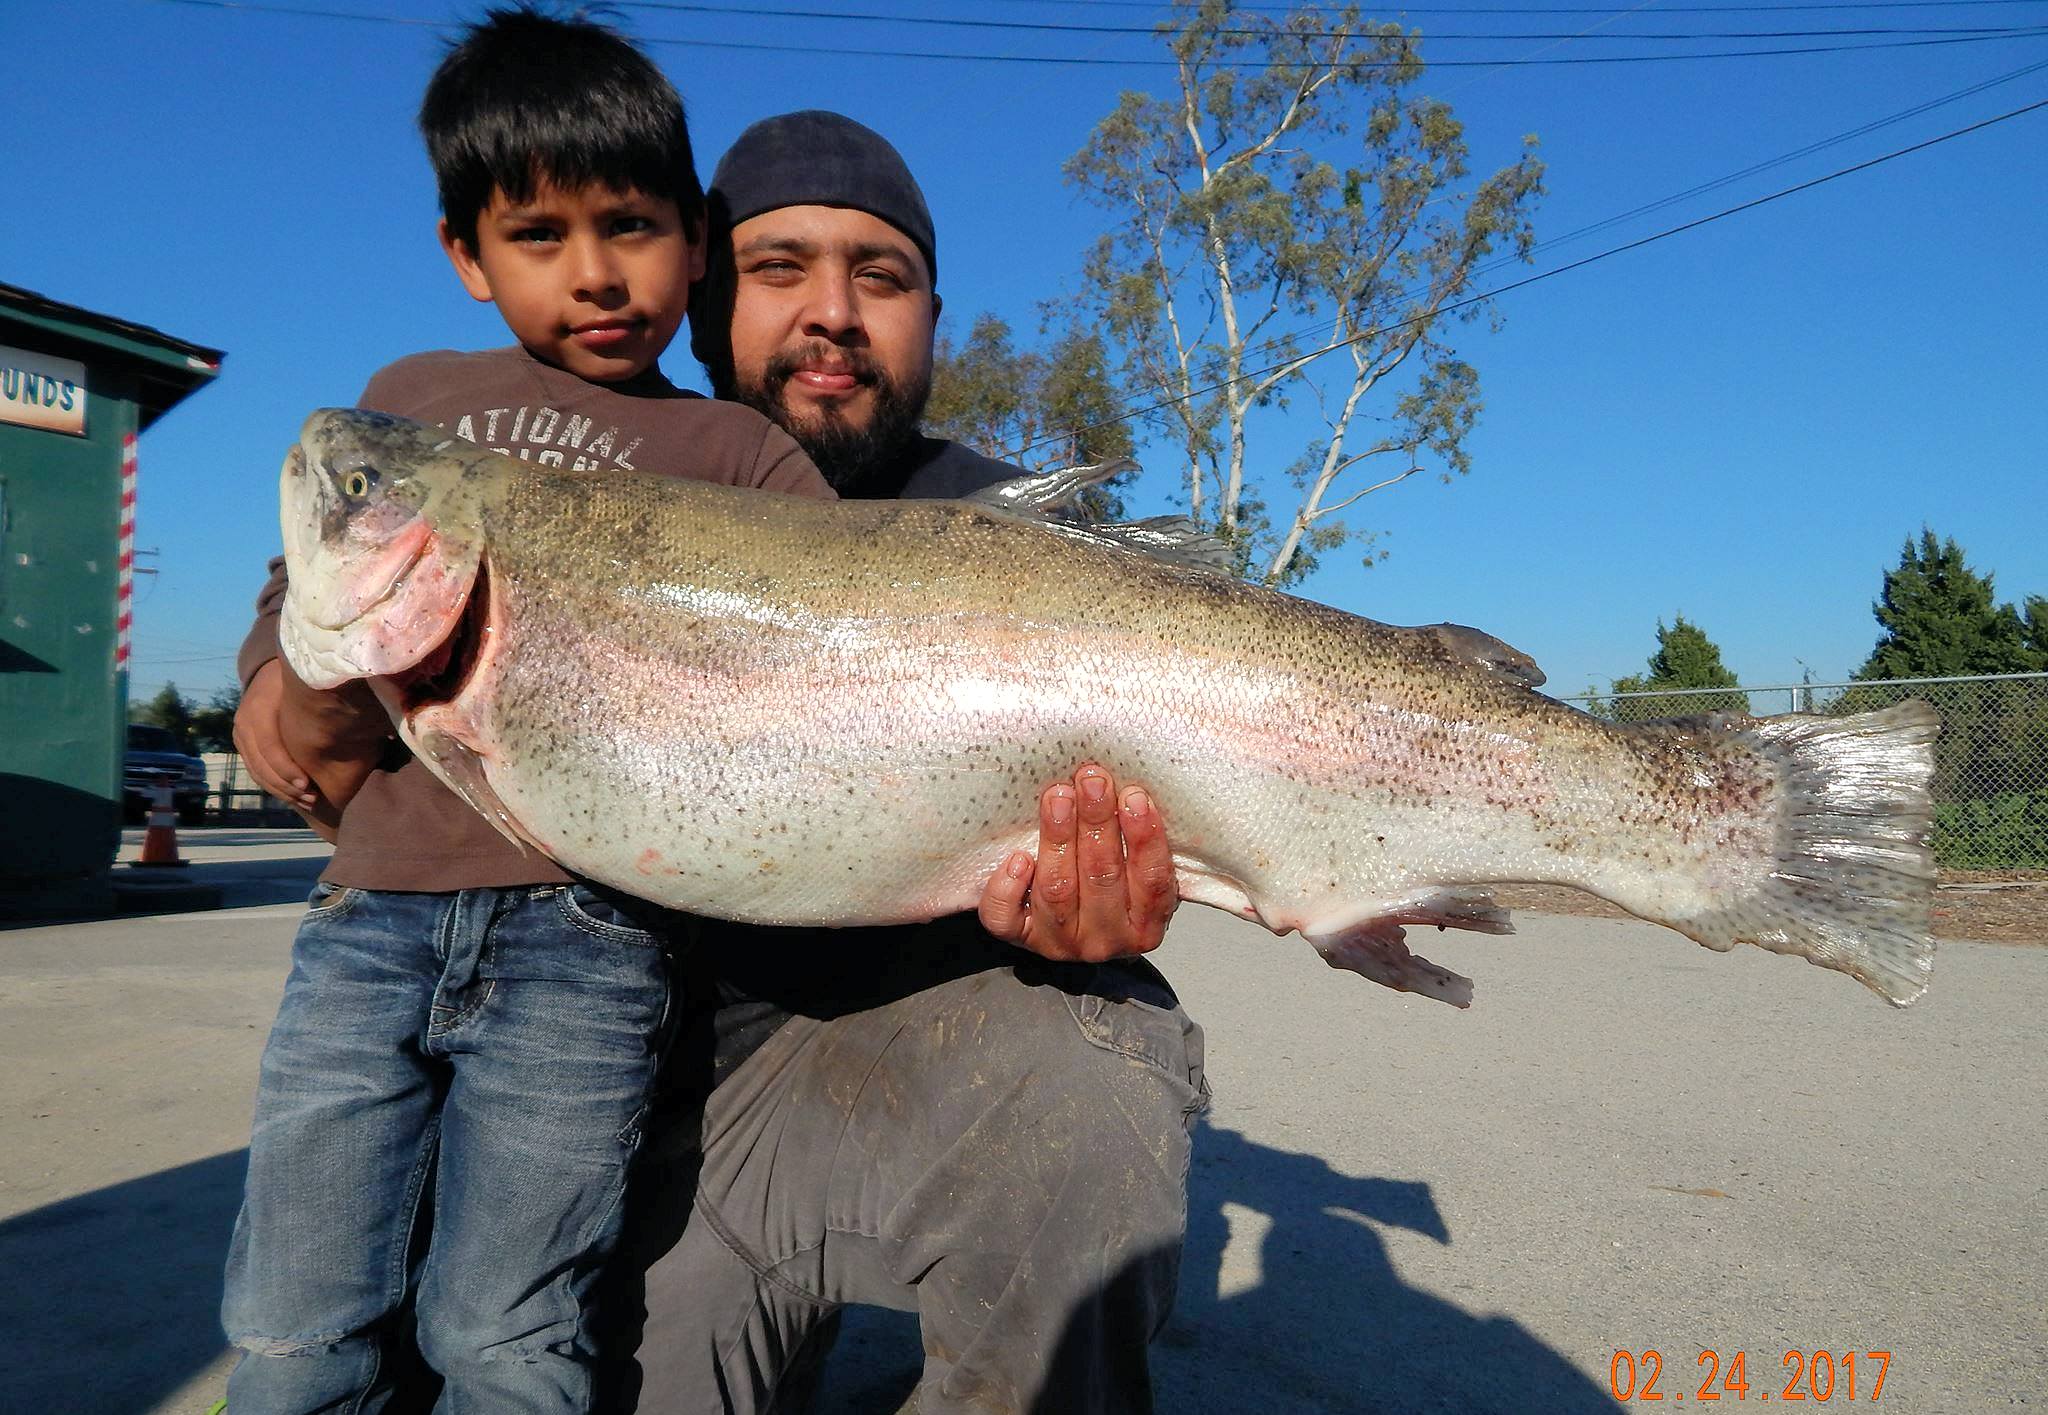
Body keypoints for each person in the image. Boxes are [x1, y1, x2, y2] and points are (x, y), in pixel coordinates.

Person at [218, 12, 841, 1410]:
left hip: (594, 947)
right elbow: (311, 577)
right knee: (292, 1319)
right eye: (539, 236)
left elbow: (817, 655)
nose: (598, 274)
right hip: (369, 918)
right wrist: (271, 669)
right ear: (466, 255)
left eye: (631, 225)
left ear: (696, 236)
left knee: (508, 1327)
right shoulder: (413, 406)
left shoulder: (740, 450)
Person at [619, 112, 1209, 1415]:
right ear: (704, 301)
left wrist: (1091, 923)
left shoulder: (1027, 551)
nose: (832, 312)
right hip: (649, 1121)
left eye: (878, 278)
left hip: (924, 1070)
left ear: (933, 317)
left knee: (1095, 1068)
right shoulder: (610, 472)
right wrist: (280, 674)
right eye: (780, 269)